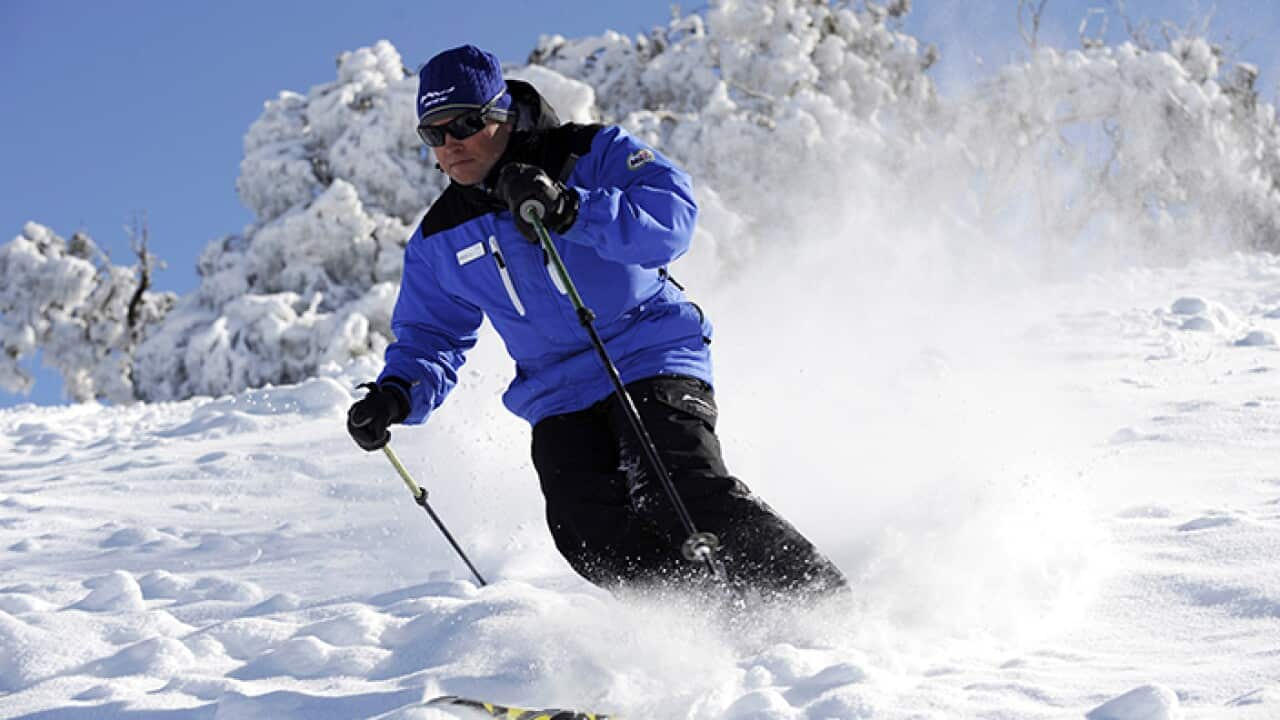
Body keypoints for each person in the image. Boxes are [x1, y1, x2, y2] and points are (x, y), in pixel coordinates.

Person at [347, 44, 846, 599]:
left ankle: (817, 600)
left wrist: (573, 208)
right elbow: (430, 336)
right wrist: (395, 395)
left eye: (465, 123)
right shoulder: (439, 237)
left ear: (503, 113)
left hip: (647, 352)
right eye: (433, 135)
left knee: (676, 489)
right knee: (586, 534)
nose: (451, 144)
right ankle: (698, 626)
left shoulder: (589, 153)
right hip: (558, 393)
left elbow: (673, 217)